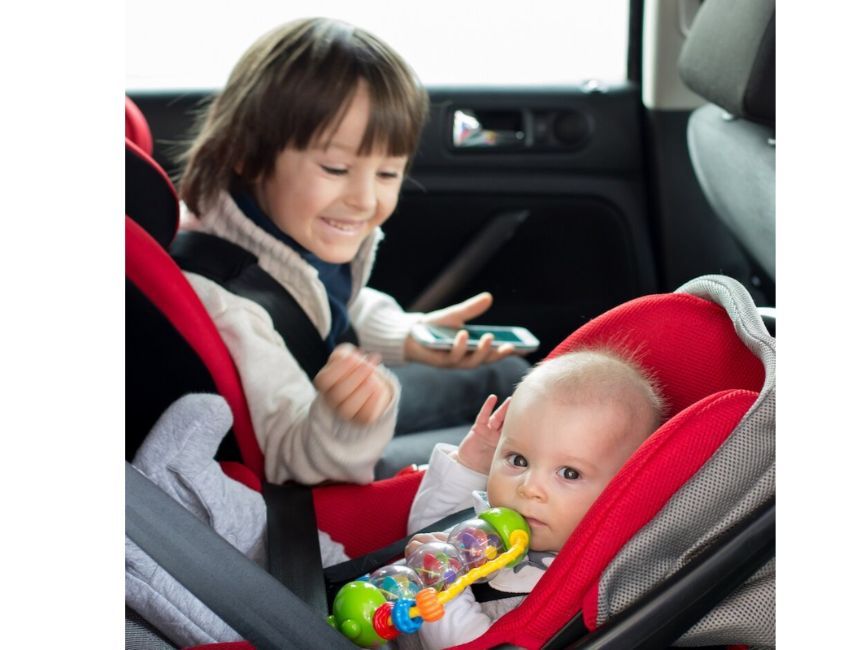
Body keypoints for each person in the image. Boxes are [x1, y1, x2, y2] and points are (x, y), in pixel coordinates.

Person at [176, 17, 528, 486]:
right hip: (326, 464)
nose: (365, 200)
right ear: (247, 152)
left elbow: (325, 299)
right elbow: (289, 460)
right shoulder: (231, 304)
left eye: (387, 174)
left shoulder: (280, 229)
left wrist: (406, 335)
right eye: (336, 167)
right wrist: (347, 422)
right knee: (525, 451)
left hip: (336, 407)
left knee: (509, 377)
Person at [398, 348, 666, 650]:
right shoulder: (495, 522)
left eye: (569, 473)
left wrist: (440, 586)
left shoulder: (573, 591)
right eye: (518, 460)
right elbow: (422, 536)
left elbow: (473, 644)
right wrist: (469, 465)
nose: (529, 487)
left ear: (621, 494)